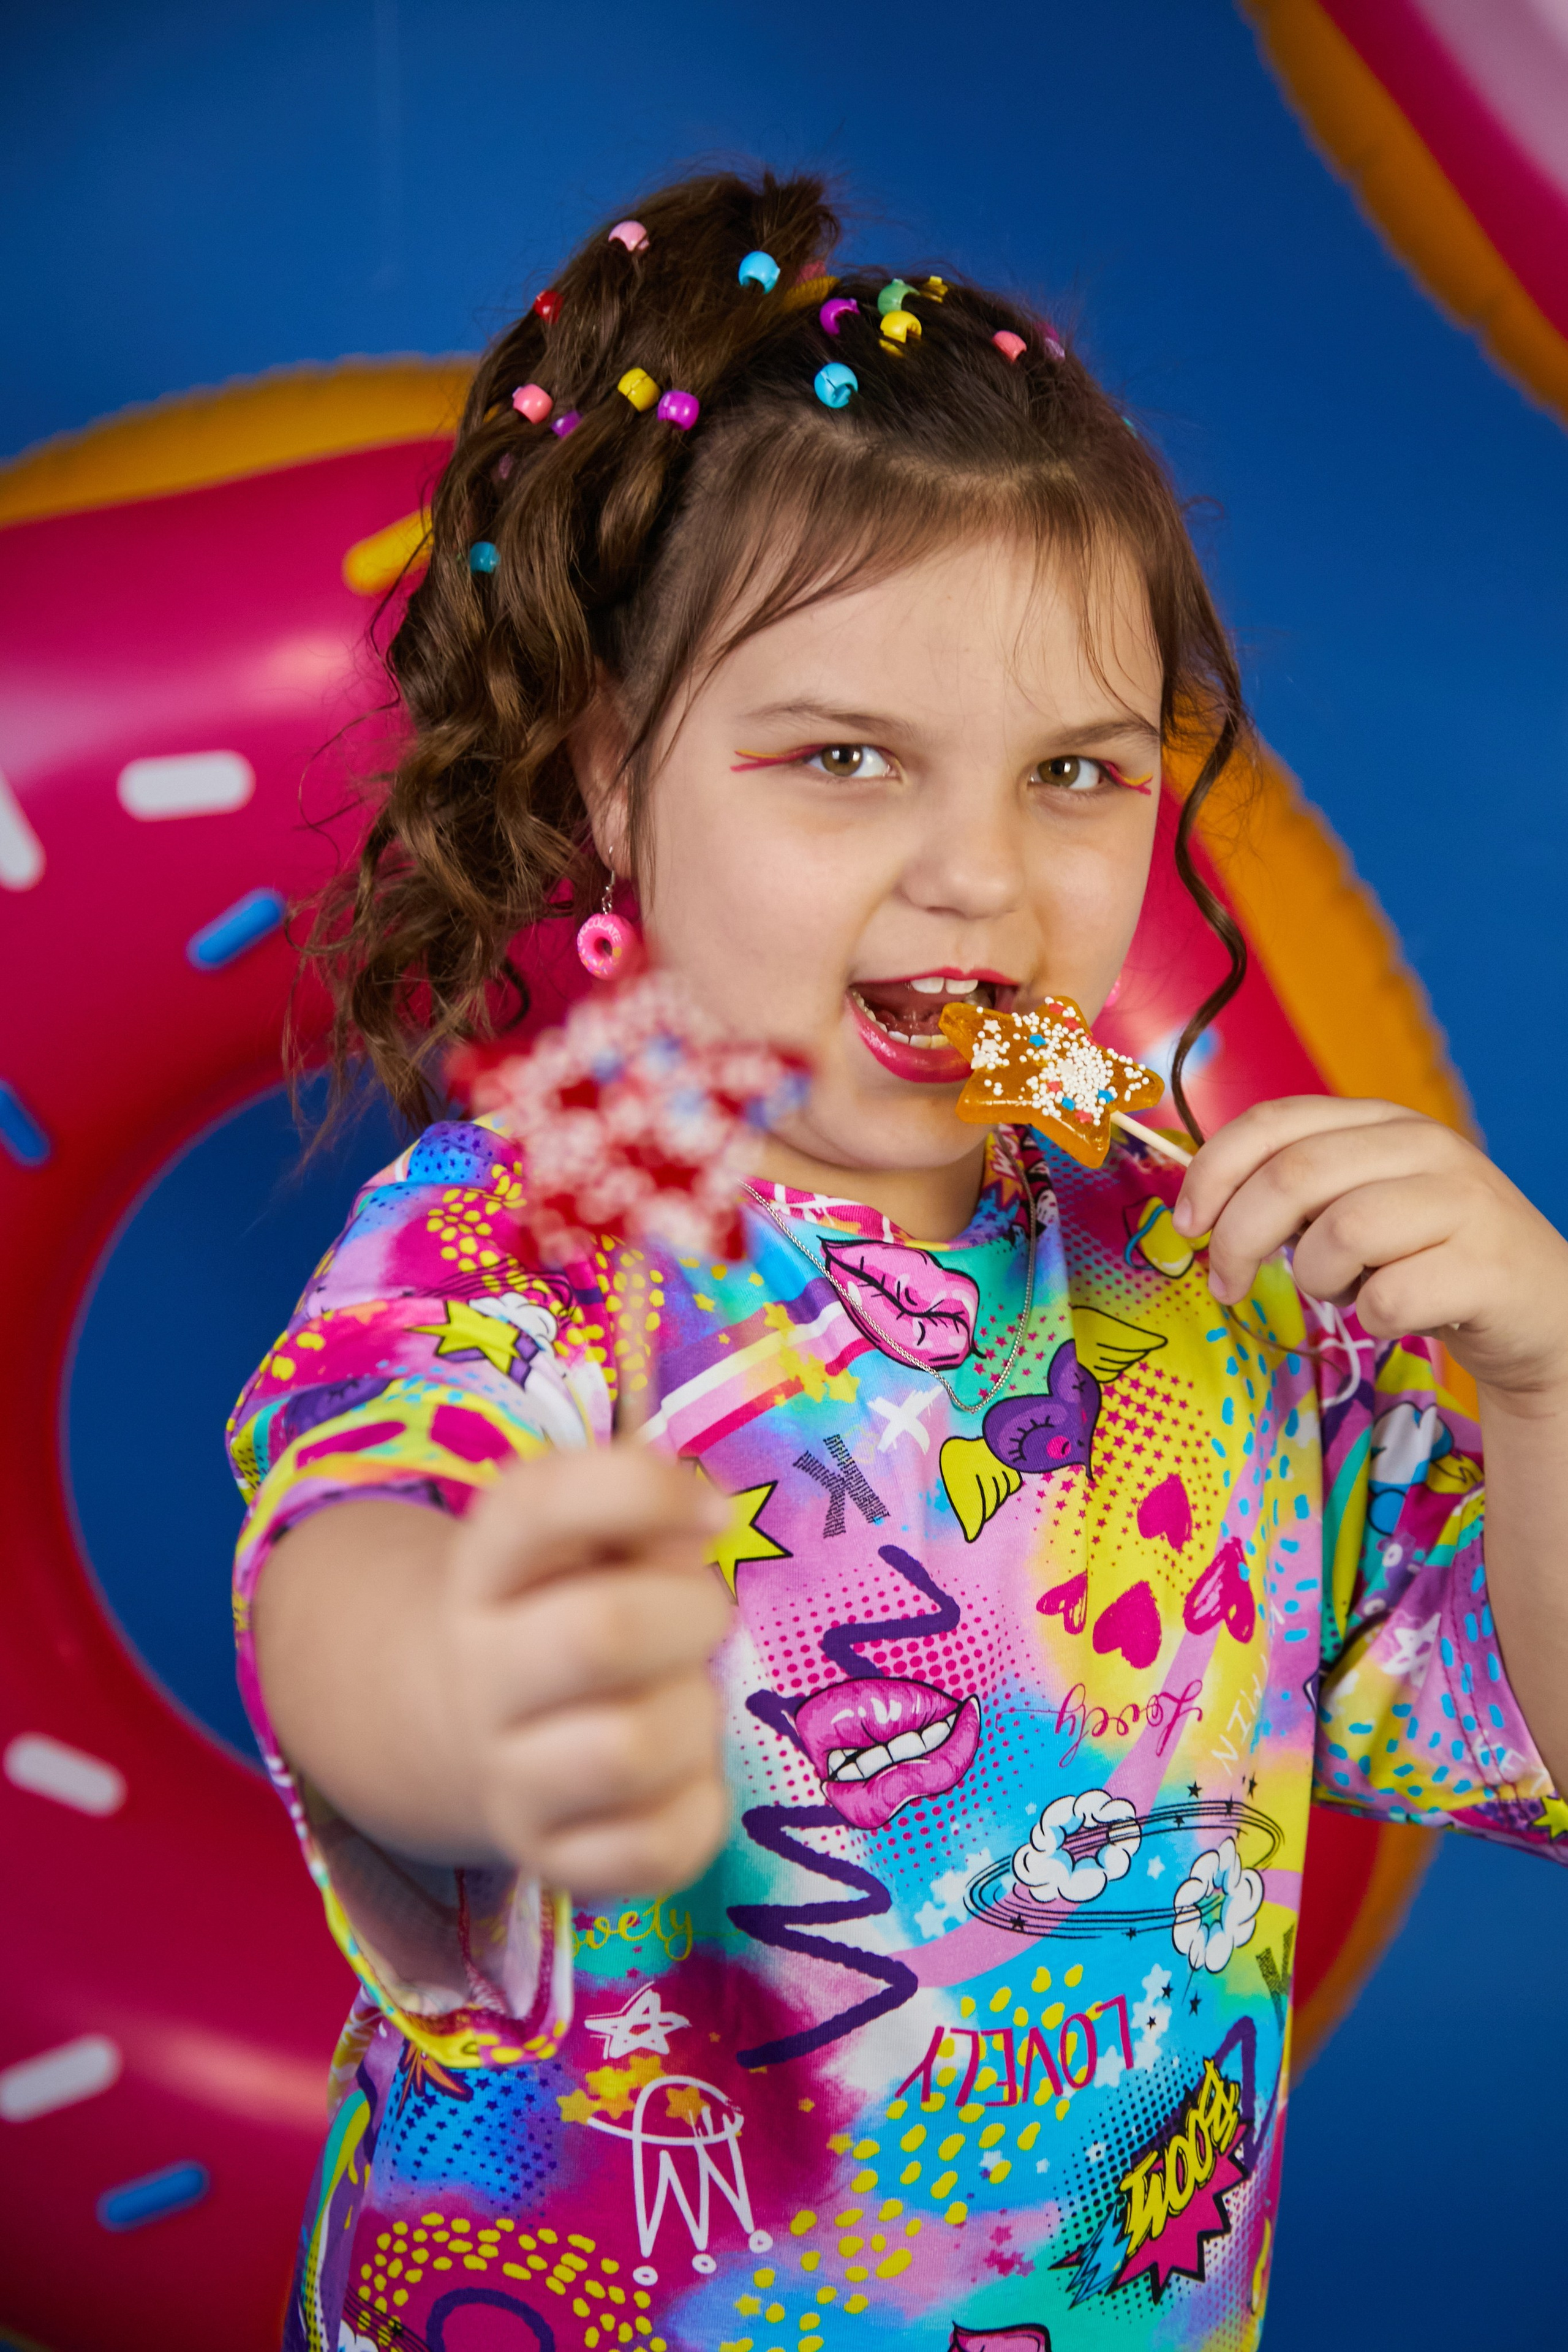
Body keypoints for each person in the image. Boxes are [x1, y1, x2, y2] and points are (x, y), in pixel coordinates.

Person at [231, 172, 1568, 2352]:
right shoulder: (544, 1221)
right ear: (610, 769)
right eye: (843, 762)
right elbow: (351, 1555)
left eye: (1076, 775)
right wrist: (472, 1696)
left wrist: (1547, 1378)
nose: (981, 879)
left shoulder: (1204, 1273)